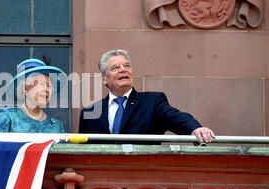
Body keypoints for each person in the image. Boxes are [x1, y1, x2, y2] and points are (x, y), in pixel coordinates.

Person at [78, 49, 215, 144]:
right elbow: (81, 152)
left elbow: (176, 117)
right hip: (101, 180)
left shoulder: (153, 102)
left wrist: (195, 128)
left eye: (126, 66)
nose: (123, 70)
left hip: (143, 179)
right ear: (104, 79)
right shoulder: (90, 113)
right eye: (115, 68)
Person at [0, 59, 66, 133]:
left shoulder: (56, 125)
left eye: (49, 86)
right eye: (41, 84)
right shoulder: (8, 116)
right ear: (25, 88)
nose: (46, 89)